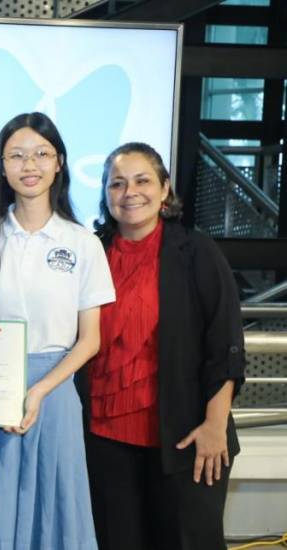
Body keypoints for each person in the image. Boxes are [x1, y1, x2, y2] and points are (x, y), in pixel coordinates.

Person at [0, 112, 115, 550]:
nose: (28, 165)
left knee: (51, 524)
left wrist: (37, 393)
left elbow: (89, 340)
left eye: (40, 154)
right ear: (1, 167)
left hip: (53, 397)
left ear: (60, 163)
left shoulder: (81, 243)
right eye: (16, 155)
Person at [84, 142, 245, 550]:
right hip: (105, 439)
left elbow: (225, 345)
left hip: (188, 436)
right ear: (105, 193)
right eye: (116, 184)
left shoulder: (196, 251)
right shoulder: (90, 253)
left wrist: (214, 426)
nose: (129, 192)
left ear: (164, 188)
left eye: (142, 180)